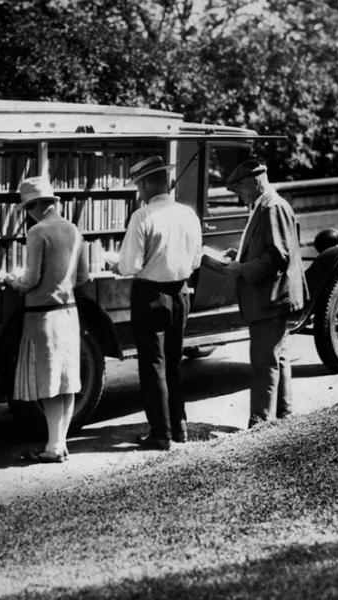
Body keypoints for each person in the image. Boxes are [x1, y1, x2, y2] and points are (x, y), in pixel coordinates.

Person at [114, 156, 202, 450]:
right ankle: (180, 426)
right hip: (180, 293)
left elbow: (130, 265)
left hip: (150, 295)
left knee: (153, 365)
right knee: (174, 361)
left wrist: (116, 263)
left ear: (144, 184)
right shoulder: (188, 214)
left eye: (139, 185)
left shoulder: (143, 217)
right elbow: (196, 260)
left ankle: (160, 433)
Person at [214, 160, 307, 428]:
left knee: (263, 361)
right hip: (273, 296)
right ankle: (284, 414)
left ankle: (261, 422)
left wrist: (241, 268)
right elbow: (269, 249)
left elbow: (278, 256)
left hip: (270, 297)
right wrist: (241, 256)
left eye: (240, 188)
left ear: (255, 181)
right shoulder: (267, 204)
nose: (239, 195)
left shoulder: (271, 207)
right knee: (277, 356)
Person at [4, 176, 88, 463]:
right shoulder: (74, 229)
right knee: (67, 380)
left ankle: (53, 447)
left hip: (42, 316)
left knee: (50, 381)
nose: (27, 214)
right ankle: (60, 443)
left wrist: (11, 279)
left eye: (28, 208)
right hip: (69, 311)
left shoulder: (38, 232)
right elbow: (83, 277)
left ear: (37, 206)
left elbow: (30, 280)